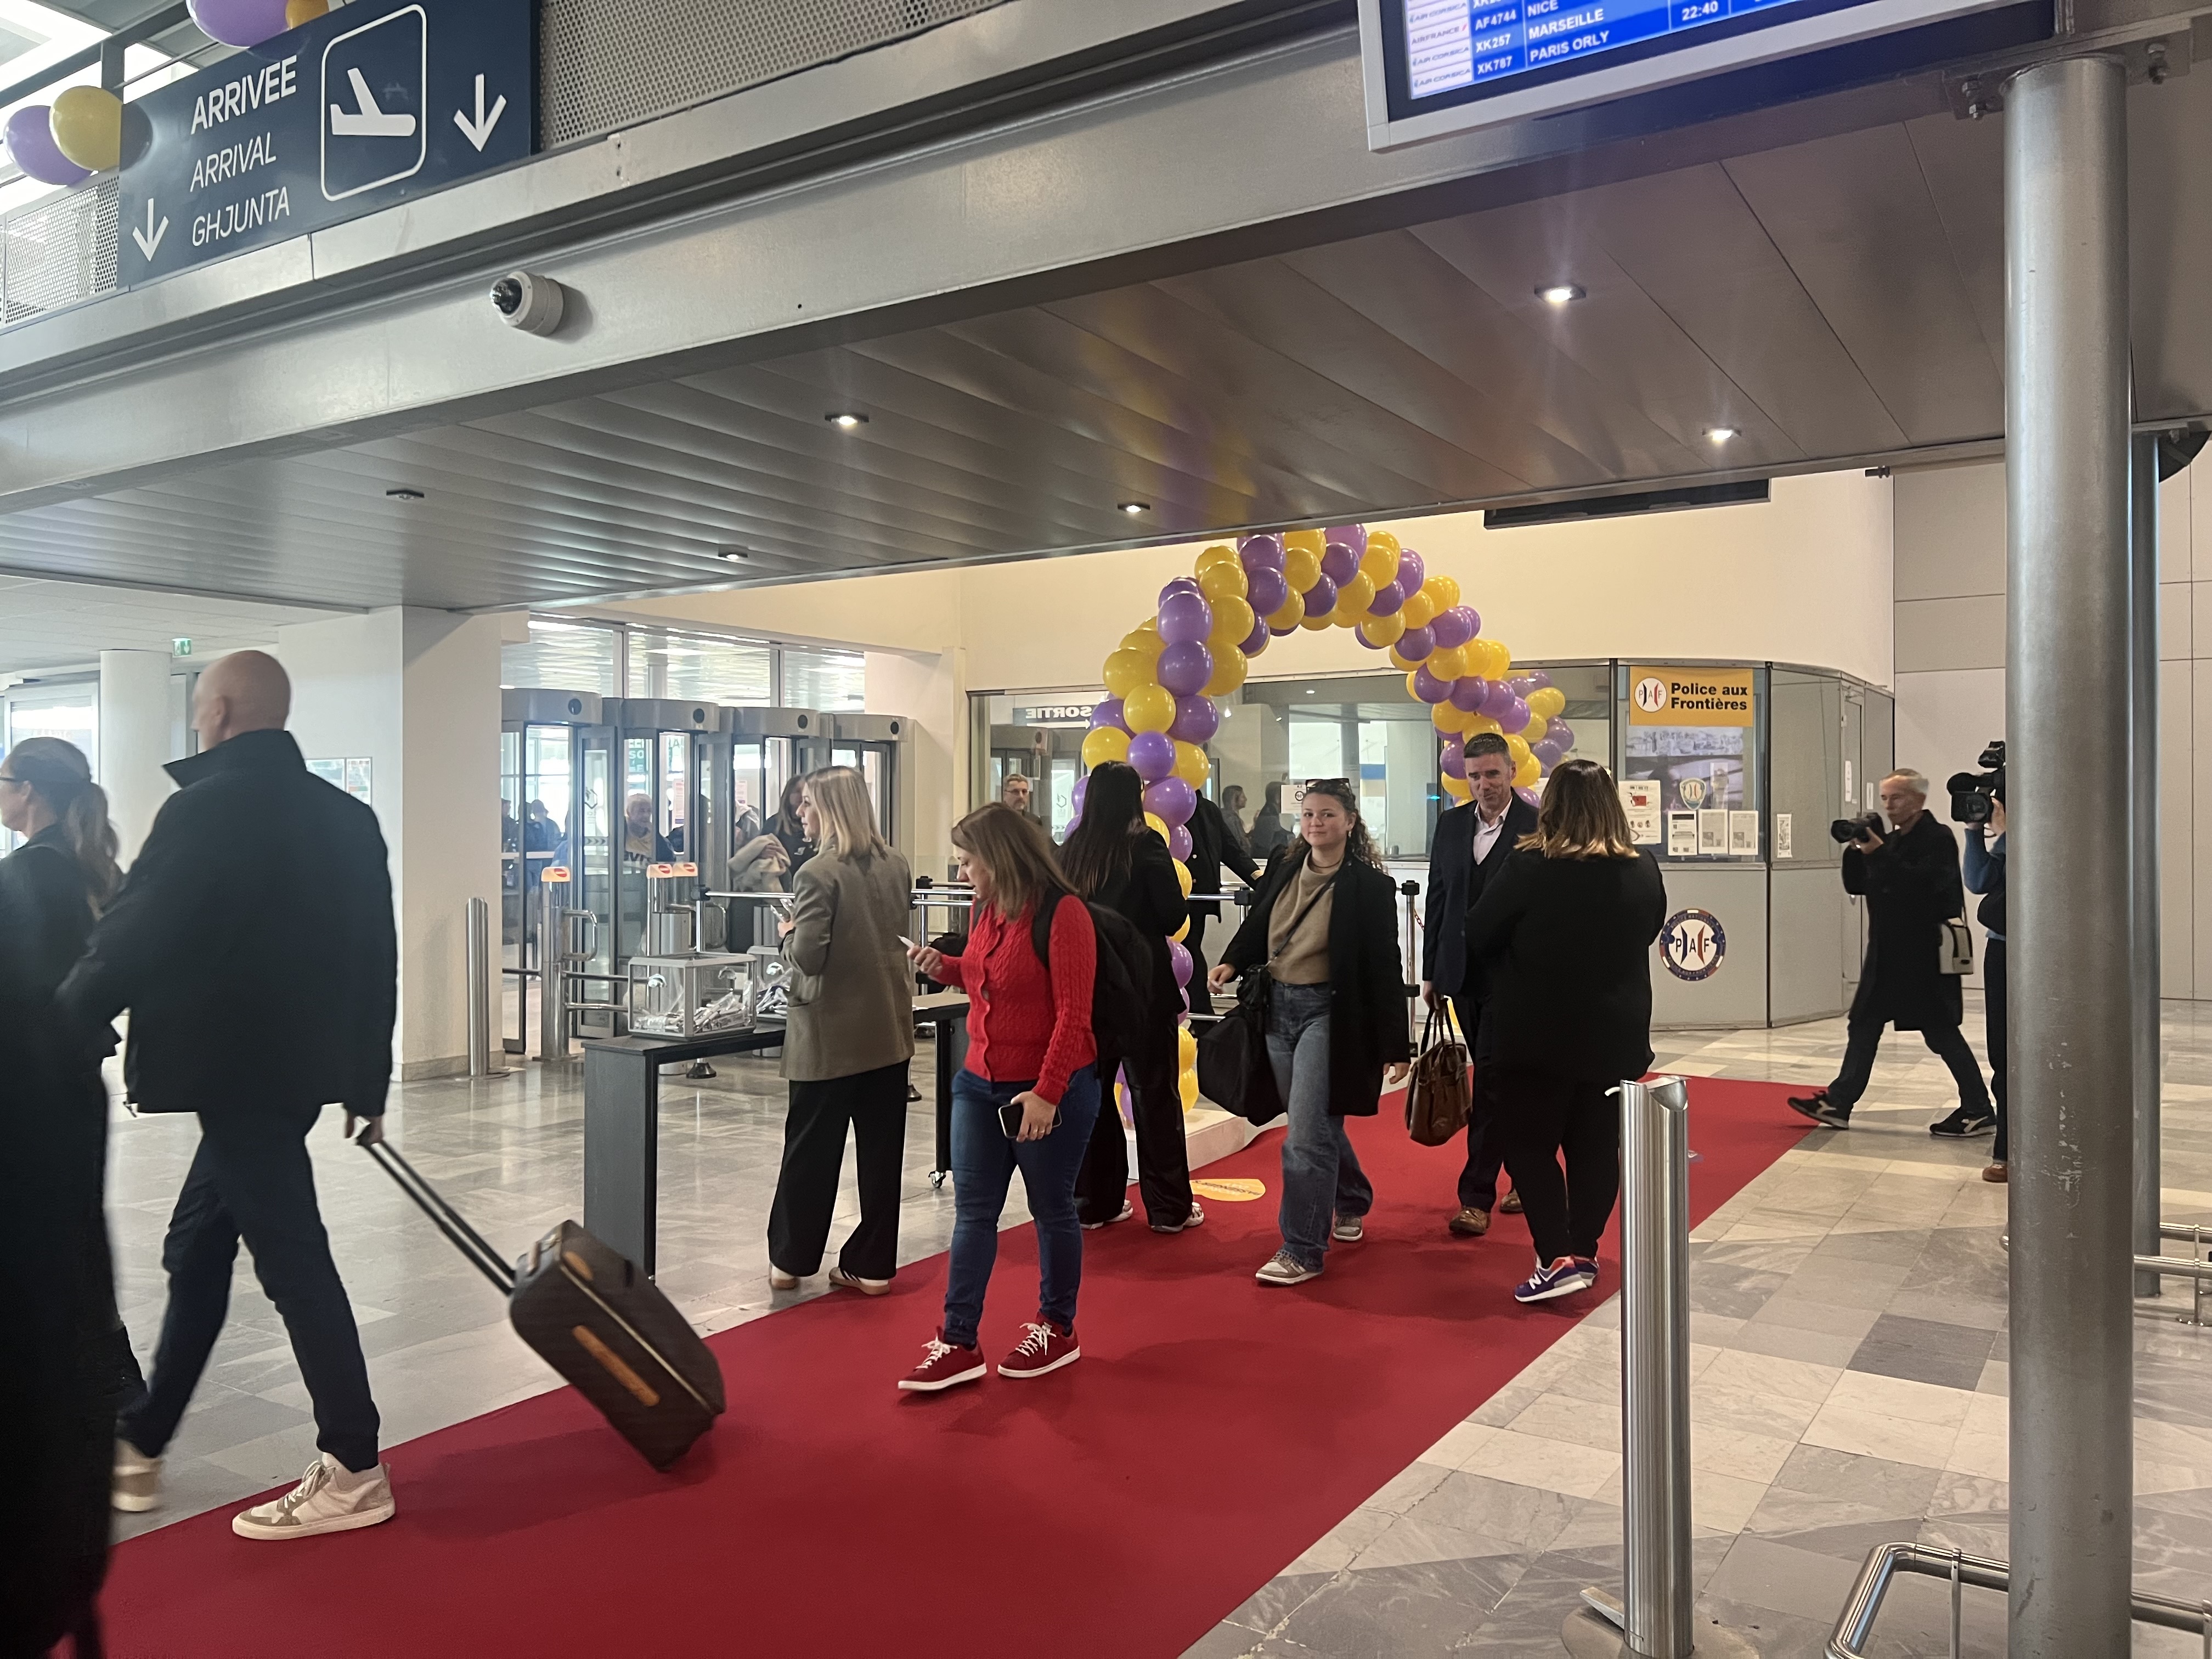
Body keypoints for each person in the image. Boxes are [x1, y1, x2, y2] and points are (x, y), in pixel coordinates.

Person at [57, 650, 400, 1541]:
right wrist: (368, 1077)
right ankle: (143, 1434)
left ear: (216, 710)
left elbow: (137, 929)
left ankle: (354, 1463)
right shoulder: (347, 816)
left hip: (233, 1072)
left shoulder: (203, 809)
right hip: (299, 1073)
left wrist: (53, 1026)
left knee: (293, 1257)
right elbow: (376, 953)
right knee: (196, 1245)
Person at [0, 738, 129, 1653]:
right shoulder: (81, 868)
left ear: (31, 791)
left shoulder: (27, 877)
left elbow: (43, 1003)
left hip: (36, 1104)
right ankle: (121, 1379)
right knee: (80, 1241)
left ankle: (122, 1379)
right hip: (71, 1096)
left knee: (60, 1254)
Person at [900, 805, 1099, 1391]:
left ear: (1000, 857)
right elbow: (991, 978)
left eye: (968, 862)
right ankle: (959, 1339)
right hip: (977, 1082)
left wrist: (1046, 1092)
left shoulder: (1064, 914)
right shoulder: (991, 910)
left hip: (1044, 1088)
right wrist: (949, 968)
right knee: (974, 1214)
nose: (962, 874)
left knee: (1052, 1208)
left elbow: (1073, 1016)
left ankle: (1057, 1327)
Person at [1465, 759, 1668, 1304]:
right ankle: (1583, 1249)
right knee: (1597, 1148)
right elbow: (1649, 930)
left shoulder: (1530, 865)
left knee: (1528, 1146)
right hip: (1615, 1036)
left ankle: (1555, 1254)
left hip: (1536, 1034)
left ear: (1551, 806)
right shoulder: (1642, 867)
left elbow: (1480, 931)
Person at [1208, 778, 1410, 1286]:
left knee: (1302, 1134)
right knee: (1318, 1122)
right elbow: (1260, 924)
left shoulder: (1369, 886)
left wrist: (1396, 1044)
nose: (1317, 824)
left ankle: (1302, 1247)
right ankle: (1352, 1197)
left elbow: (1386, 966)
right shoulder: (1283, 865)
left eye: (1327, 815)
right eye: (1309, 815)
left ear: (1349, 822)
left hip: (1330, 1014)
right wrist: (1232, 960)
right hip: (1277, 1009)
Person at [767, 767, 916, 1295]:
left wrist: (786, 934)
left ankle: (791, 1259)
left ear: (828, 809)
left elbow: (809, 956)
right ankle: (873, 1264)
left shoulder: (816, 873)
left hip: (828, 1038)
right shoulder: (896, 864)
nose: (800, 815)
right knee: (881, 1157)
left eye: (807, 804)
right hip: (889, 1033)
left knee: (810, 1152)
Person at [1785, 770, 1995, 1136]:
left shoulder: (1937, 838)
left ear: (1918, 800)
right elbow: (1859, 885)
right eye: (1884, 798)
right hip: (1887, 955)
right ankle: (1839, 1102)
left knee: (1940, 1032)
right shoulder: (1892, 840)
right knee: (1864, 1024)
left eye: (1896, 798)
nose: (1888, 806)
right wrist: (1857, 850)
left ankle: (1978, 1107)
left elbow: (1918, 890)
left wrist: (1879, 853)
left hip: (1923, 958)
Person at [1063, 761, 1199, 1234]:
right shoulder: (1146, 845)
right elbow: (1170, 914)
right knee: (1154, 1098)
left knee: (1093, 1100)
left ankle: (1095, 1202)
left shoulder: (1073, 851)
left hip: (1088, 992)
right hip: (1143, 990)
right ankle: (1168, 1208)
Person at [1424, 732, 1539, 1237]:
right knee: (1499, 1079)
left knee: (1490, 1080)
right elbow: (1438, 898)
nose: (1484, 785)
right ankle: (1524, 1173)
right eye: (1474, 776)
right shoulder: (1450, 825)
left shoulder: (1537, 826)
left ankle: (1476, 1195)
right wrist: (1429, 971)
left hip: (1515, 976)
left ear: (1512, 772)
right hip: (1460, 971)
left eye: (1493, 774)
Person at [1965, 797, 2008, 1182]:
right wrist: (1975, 830)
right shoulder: (2006, 841)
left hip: (2042, 950)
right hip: (2002, 947)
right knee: (2003, 1053)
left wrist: (2012, 833)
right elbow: (1978, 880)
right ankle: (2007, 1148)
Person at [1184, 788, 1260, 994]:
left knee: (1190, 959)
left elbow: (1231, 851)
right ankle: (1202, 1018)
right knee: (1189, 959)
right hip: (1171, 901)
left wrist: (1261, 880)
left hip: (1197, 902)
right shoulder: (1156, 804)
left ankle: (1199, 1019)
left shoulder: (1208, 809)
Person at [771, 774, 815, 880]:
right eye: (797, 792)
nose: (801, 796)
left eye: (805, 792)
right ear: (788, 795)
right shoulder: (775, 824)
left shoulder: (813, 823)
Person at [622, 791, 675, 865]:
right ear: (629, 812)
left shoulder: (661, 842)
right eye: (641, 811)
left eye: (649, 811)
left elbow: (669, 865)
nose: (646, 815)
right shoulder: (619, 835)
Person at [1249, 781, 1293, 860]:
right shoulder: (1269, 817)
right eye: (1287, 796)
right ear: (1277, 797)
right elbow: (1275, 845)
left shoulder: (1269, 813)